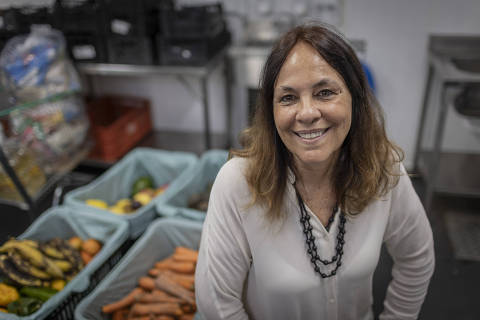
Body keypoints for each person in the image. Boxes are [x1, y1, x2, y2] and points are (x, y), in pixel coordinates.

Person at [195, 23, 435, 320]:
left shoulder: (382, 167)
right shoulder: (238, 183)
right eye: (288, 98)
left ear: (355, 98)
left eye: (324, 92)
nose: (307, 113)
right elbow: (216, 303)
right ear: (270, 111)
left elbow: (417, 258)